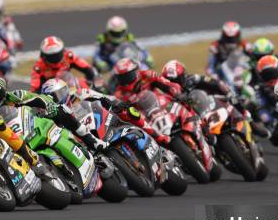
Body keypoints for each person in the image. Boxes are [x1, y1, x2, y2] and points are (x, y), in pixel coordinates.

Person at [0, 77, 108, 152]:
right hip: (11, 139)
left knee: (61, 110)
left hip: (33, 123)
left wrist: (48, 105)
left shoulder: (15, 96)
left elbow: (39, 98)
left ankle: (91, 140)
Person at [43, 76, 172, 146]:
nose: (60, 97)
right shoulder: (53, 114)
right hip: (81, 136)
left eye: (61, 93)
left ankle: (156, 135)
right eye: (55, 96)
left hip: (97, 118)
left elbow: (99, 96)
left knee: (128, 112)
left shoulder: (77, 93)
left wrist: (112, 103)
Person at [29, 36, 97, 92]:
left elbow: (88, 69)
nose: (55, 59)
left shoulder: (68, 56)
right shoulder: (38, 67)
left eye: (57, 55)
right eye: (51, 56)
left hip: (70, 89)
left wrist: (93, 85)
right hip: (52, 96)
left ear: (62, 51)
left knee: (85, 83)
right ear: (43, 55)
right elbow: (34, 89)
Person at [112, 58, 182, 103]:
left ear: (136, 71)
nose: (125, 80)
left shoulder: (148, 75)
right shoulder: (119, 94)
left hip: (162, 105)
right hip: (144, 120)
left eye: (127, 76)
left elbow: (167, 83)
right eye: (121, 77)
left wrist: (176, 92)